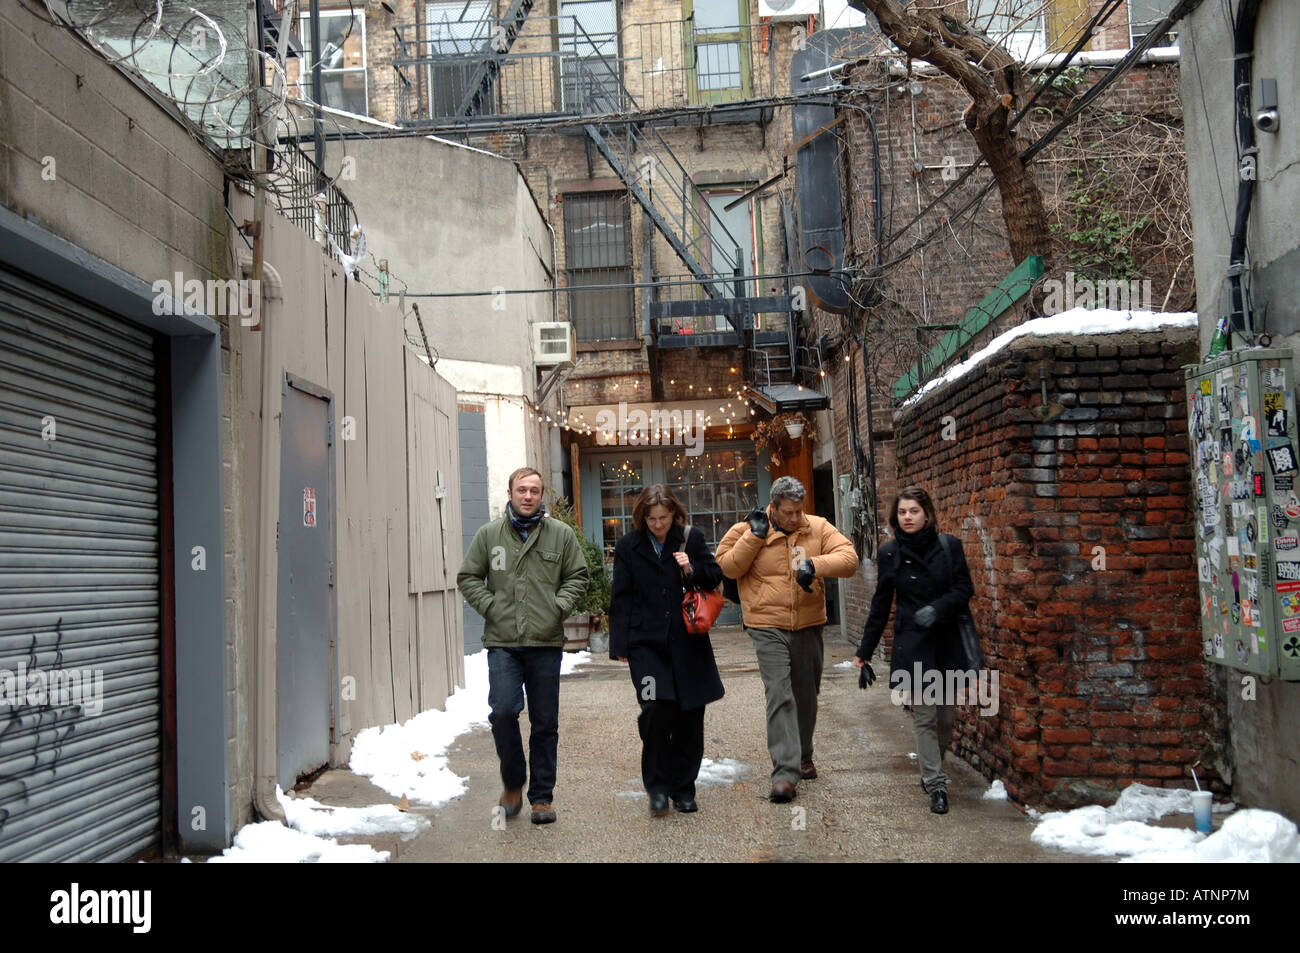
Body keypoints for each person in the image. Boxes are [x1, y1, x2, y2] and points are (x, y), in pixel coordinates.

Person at [457, 467, 589, 825]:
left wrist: (558, 607)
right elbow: (468, 577)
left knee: (545, 722)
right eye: (521, 490)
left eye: (534, 490)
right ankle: (513, 782)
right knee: (502, 711)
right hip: (504, 642)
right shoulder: (489, 536)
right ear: (510, 492)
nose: (528, 496)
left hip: (545, 642)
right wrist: (491, 606)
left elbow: (578, 575)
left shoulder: (560, 535)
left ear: (541, 494)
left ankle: (542, 798)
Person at [716, 476, 859, 803]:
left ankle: (803, 754)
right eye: (788, 513)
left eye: (799, 511)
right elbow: (728, 566)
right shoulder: (747, 529)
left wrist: (815, 564)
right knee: (779, 693)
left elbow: (848, 560)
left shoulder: (818, 528)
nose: (796, 519)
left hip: (808, 624)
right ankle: (784, 773)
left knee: (805, 695)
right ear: (774, 507)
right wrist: (754, 537)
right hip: (766, 624)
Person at [853, 486, 974, 815]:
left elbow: (965, 588)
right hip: (914, 645)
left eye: (914, 511)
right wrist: (865, 650)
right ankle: (935, 784)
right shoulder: (890, 553)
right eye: (903, 512)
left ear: (927, 514)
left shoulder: (949, 548)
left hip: (946, 642)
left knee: (945, 720)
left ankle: (934, 765)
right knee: (925, 716)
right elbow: (880, 606)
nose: (907, 517)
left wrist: (939, 608)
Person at [608, 485, 725, 816]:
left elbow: (715, 576)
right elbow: (621, 597)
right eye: (651, 518)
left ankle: (684, 788)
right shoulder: (629, 546)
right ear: (642, 517)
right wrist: (620, 644)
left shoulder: (692, 537)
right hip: (646, 645)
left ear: (674, 513)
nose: (658, 524)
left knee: (690, 716)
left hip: (688, 644)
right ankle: (657, 788)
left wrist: (692, 568)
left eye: (663, 518)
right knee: (656, 709)